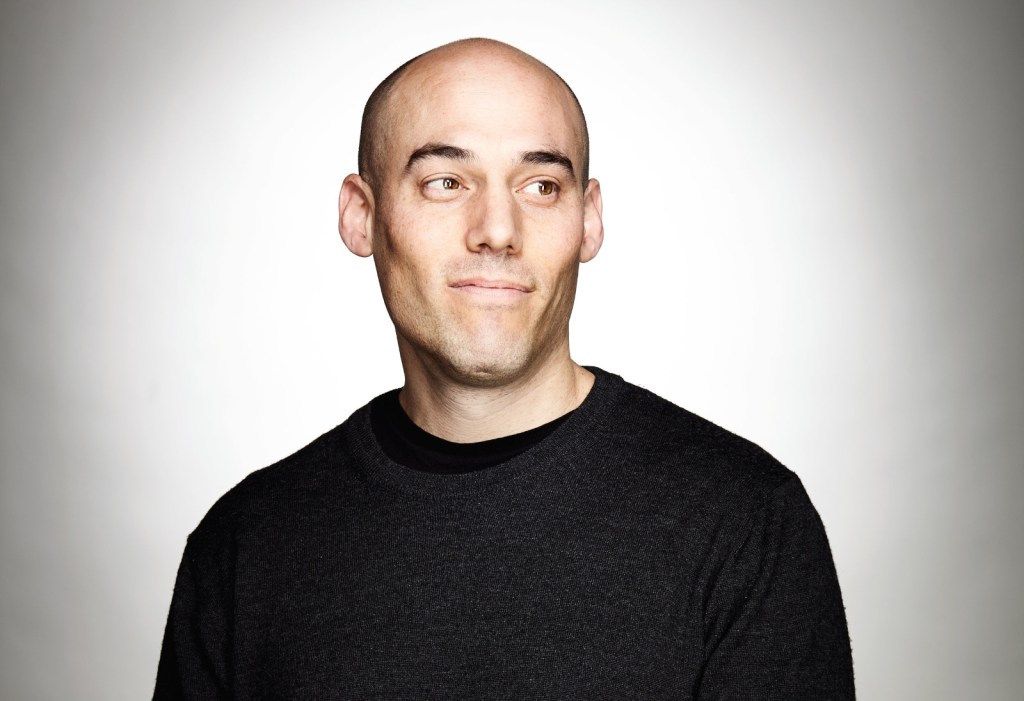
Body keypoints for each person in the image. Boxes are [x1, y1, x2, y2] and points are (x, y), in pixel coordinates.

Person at [154, 38, 855, 699]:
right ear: (362, 215)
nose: (497, 229)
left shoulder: (745, 521)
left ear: (588, 220)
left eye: (541, 186)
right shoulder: (246, 543)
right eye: (446, 181)